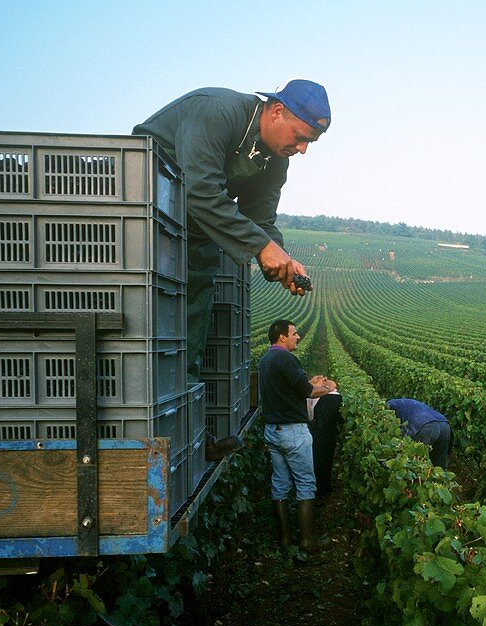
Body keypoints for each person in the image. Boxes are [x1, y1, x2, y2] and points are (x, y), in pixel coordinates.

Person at [133, 80, 330, 459]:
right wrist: (259, 246)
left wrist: (284, 259)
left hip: (192, 227)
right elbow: (201, 189)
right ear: (276, 112)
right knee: (147, 323)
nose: (303, 149)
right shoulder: (217, 110)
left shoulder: (276, 159)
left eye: (311, 143)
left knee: (191, 325)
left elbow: (261, 220)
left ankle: (186, 439)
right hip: (146, 207)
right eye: (302, 137)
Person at [259, 319, 336, 551]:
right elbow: (307, 391)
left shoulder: (265, 360)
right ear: (282, 337)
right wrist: (329, 388)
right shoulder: (286, 358)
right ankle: (308, 540)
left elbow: (290, 388)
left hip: (273, 430)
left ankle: (285, 540)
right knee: (305, 483)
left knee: (280, 484)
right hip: (293, 431)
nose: (298, 336)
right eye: (294, 333)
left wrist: (307, 382)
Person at [386, 398, 451, 470]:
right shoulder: (408, 403)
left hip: (427, 426)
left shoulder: (389, 405)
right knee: (439, 464)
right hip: (444, 424)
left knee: (416, 462)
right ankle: (440, 480)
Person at [308, 388, 343, 498]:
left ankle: (319, 489)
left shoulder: (314, 396)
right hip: (327, 431)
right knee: (325, 456)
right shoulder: (336, 397)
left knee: (318, 457)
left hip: (317, 429)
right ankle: (323, 487)